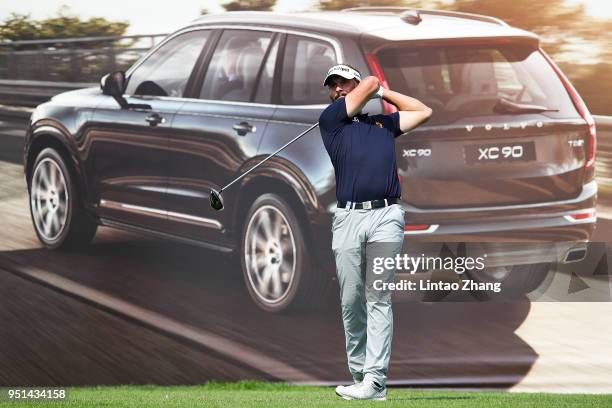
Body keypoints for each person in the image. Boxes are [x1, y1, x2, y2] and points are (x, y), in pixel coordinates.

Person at [319, 64, 432, 401]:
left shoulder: (384, 124)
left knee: (378, 297)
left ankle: (375, 381)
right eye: (333, 85)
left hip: (386, 216)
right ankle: (360, 377)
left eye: (343, 83)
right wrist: (368, 87)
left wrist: (382, 93)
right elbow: (368, 82)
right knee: (352, 301)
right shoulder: (331, 121)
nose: (338, 89)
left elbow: (423, 111)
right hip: (348, 219)